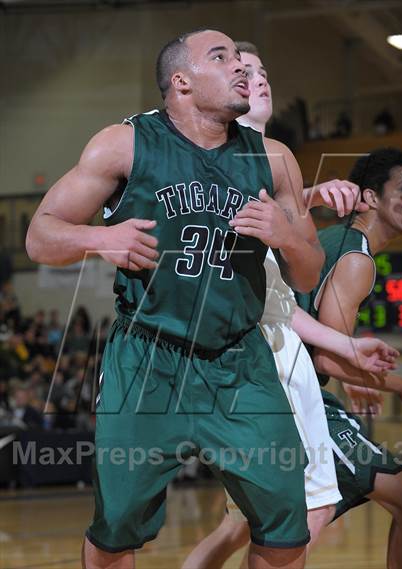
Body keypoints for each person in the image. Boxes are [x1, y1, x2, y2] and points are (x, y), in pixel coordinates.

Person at [26, 29, 329, 569]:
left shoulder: (274, 157)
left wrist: (285, 237)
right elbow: (40, 235)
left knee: (287, 527)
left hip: (240, 360)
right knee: (117, 528)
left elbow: (308, 272)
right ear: (182, 82)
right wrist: (99, 238)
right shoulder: (124, 144)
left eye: (240, 56)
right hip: (148, 359)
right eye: (222, 57)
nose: (241, 66)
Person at [181, 41, 399, 569]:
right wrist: (303, 204)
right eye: (243, 70)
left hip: (276, 350)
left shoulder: (274, 164)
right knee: (301, 510)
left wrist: (347, 344)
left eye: (262, 70)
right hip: (248, 360)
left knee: (262, 519)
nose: (258, 78)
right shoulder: (221, 160)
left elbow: (280, 307)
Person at [295, 147, 402, 568]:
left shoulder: (336, 241)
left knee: (257, 530)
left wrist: (352, 375)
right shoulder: (356, 257)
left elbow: (328, 344)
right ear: (368, 198)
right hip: (291, 393)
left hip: (285, 388)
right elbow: (327, 359)